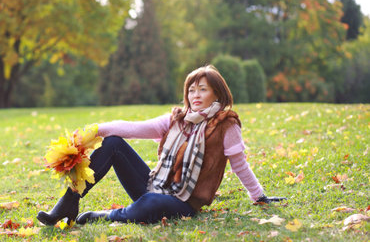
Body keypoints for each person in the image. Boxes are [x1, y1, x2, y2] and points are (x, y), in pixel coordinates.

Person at [36, 65, 285, 226]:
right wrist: (94, 131)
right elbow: (132, 128)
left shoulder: (226, 125)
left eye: (202, 90)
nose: (195, 96)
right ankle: (69, 201)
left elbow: (240, 165)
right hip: (154, 185)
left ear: (217, 94)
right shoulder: (176, 119)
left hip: (184, 202)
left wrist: (259, 197)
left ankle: (106, 216)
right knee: (113, 143)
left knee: (150, 204)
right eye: (191, 90)